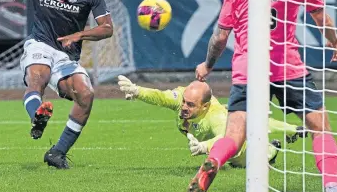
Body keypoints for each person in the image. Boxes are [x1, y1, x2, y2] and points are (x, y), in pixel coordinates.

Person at [189, 0, 337, 192]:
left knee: (234, 135)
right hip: (287, 66)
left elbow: (220, 38)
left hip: (248, 70)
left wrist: (207, 65)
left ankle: (213, 160)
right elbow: (320, 17)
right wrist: (336, 42)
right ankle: (332, 187)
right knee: (320, 127)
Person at [0, 0, 113, 169]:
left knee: (86, 94)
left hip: (67, 56)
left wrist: (79, 34)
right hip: (40, 44)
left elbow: (107, 28)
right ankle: (37, 117)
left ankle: (57, 152)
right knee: (37, 77)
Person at [117, 75, 306, 168]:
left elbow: (225, 138)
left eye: (190, 105)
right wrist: (136, 91)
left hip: (238, 147)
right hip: (230, 126)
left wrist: (203, 147)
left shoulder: (215, 116)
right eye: (184, 102)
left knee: (245, 160)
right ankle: (291, 129)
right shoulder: (183, 98)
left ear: (205, 106)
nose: (184, 107)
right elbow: (161, 96)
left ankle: (274, 147)